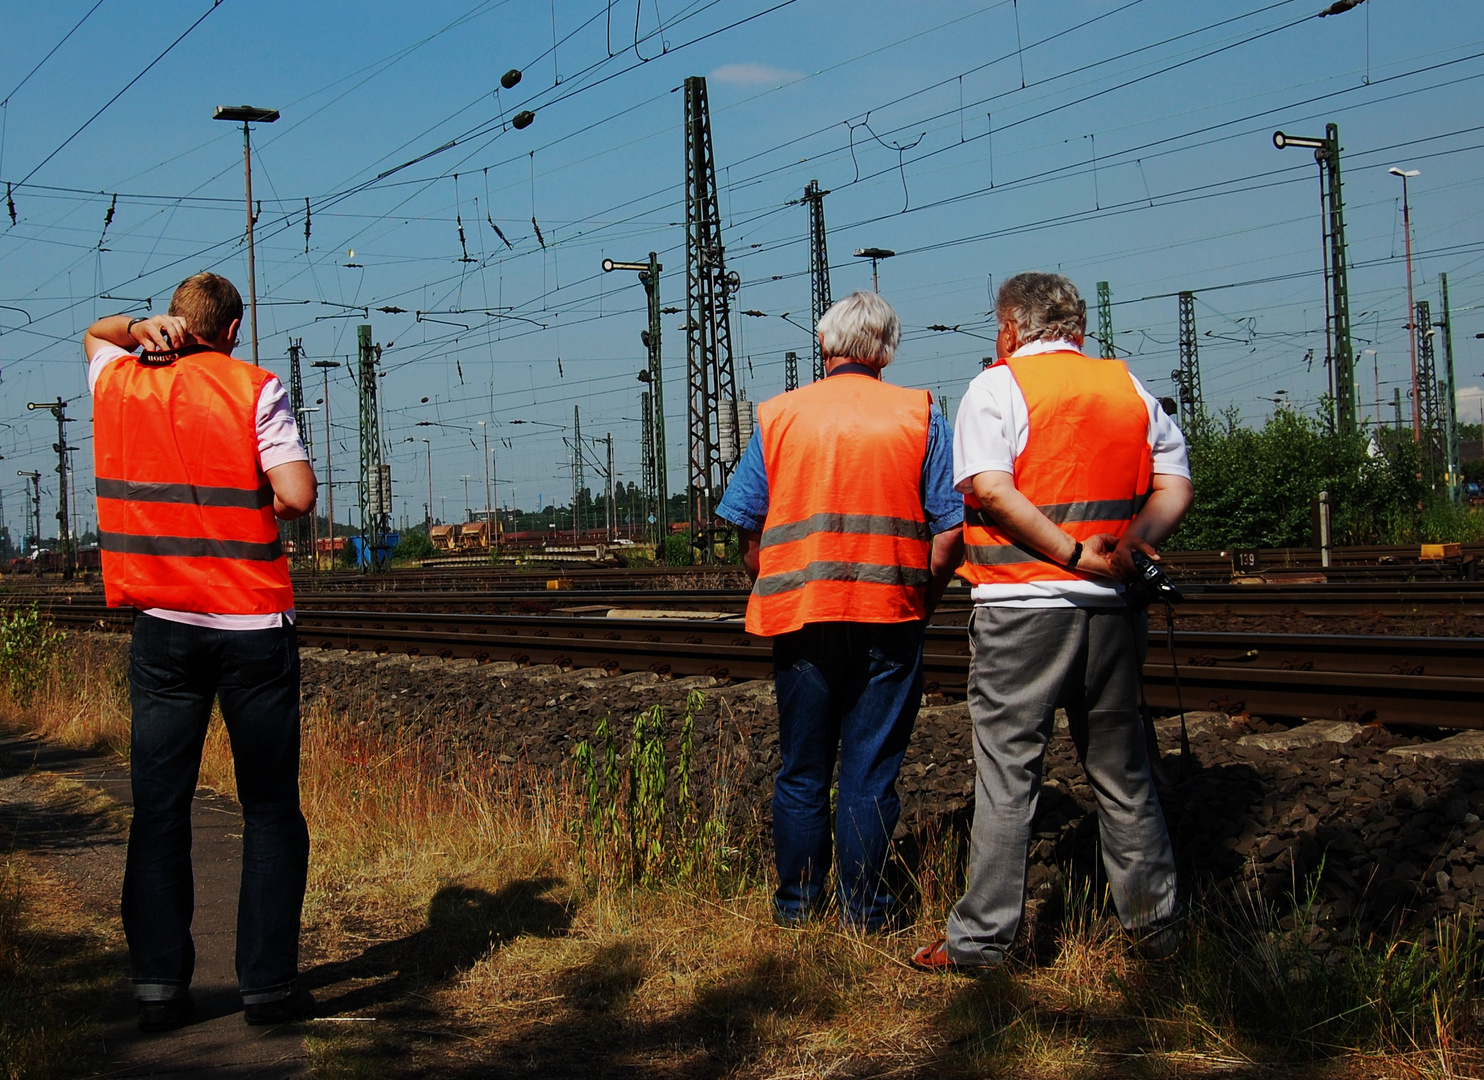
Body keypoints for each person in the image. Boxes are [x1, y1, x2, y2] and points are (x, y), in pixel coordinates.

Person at [912, 271, 1193, 971]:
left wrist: (1073, 554)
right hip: (1112, 616)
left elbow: (988, 488)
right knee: (1123, 774)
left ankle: (981, 942)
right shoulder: (1126, 387)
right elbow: (1176, 480)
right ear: (1078, 330)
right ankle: (1155, 931)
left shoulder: (997, 386)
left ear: (1010, 326)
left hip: (1021, 608)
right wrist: (1132, 545)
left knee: (1009, 778)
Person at [84, 272, 319, 1031]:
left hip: (162, 625)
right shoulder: (254, 387)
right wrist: (266, 493)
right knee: (270, 812)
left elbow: (93, 334)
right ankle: (268, 991)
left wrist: (135, 326)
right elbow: (297, 494)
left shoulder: (120, 381)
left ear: (175, 324)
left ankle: (158, 988)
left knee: (159, 808)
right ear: (233, 330)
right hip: (250, 626)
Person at [716, 291, 963, 931]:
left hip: (801, 619)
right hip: (891, 616)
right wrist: (922, 596)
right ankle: (867, 917)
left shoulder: (779, 416)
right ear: (886, 350)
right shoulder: (920, 413)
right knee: (869, 773)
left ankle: (797, 910)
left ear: (824, 347)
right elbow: (950, 528)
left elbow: (745, 524)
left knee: (802, 769)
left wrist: (775, 580)